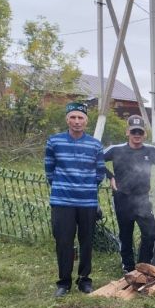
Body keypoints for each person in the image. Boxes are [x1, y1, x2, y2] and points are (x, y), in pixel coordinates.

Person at [44, 102, 105, 297]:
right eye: (73, 117)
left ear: (86, 121)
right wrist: (65, 186)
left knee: (86, 241)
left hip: (87, 202)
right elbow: (49, 170)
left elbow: (100, 172)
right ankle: (64, 282)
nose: (77, 121)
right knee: (63, 242)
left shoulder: (95, 144)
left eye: (81, 118)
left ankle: (84, 280)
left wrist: (85, 187)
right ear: (67, 119)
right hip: (62, 201)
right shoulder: (54, 141)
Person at [104, 115, 155, 273]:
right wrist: (110, 176)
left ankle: (143, 266)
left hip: (143, 198)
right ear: (127, 132)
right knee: (125, 234)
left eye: (140, 131)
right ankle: (128, 268)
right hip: (122, 198)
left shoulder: (151, 151)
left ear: (144, 134)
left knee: (150, 234)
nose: (137, 134)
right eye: (133, 131)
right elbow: (94, 160)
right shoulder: (116, 150)